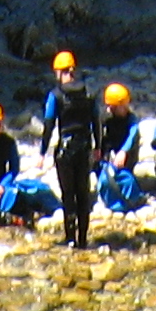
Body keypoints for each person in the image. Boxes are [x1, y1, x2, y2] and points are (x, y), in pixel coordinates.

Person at [38, 50, 100, 250]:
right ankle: (83, 239)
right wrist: (98, 146)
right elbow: (96, 122)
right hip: (84, 147)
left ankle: (69, 237)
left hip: (65, 148)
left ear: (58, 72)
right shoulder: (88, 93)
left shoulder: (55, 96)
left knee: (68, 194)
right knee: (83, 193)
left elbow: (49, 125)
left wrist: (42, 151)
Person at [95, 85, 149, 214]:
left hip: (126, 155)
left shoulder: (131, 119)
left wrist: (123, 151)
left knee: (123, 174)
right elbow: (98, 134)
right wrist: (97, 149)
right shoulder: (105, 119)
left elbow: (132, 135)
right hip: (109, 154)